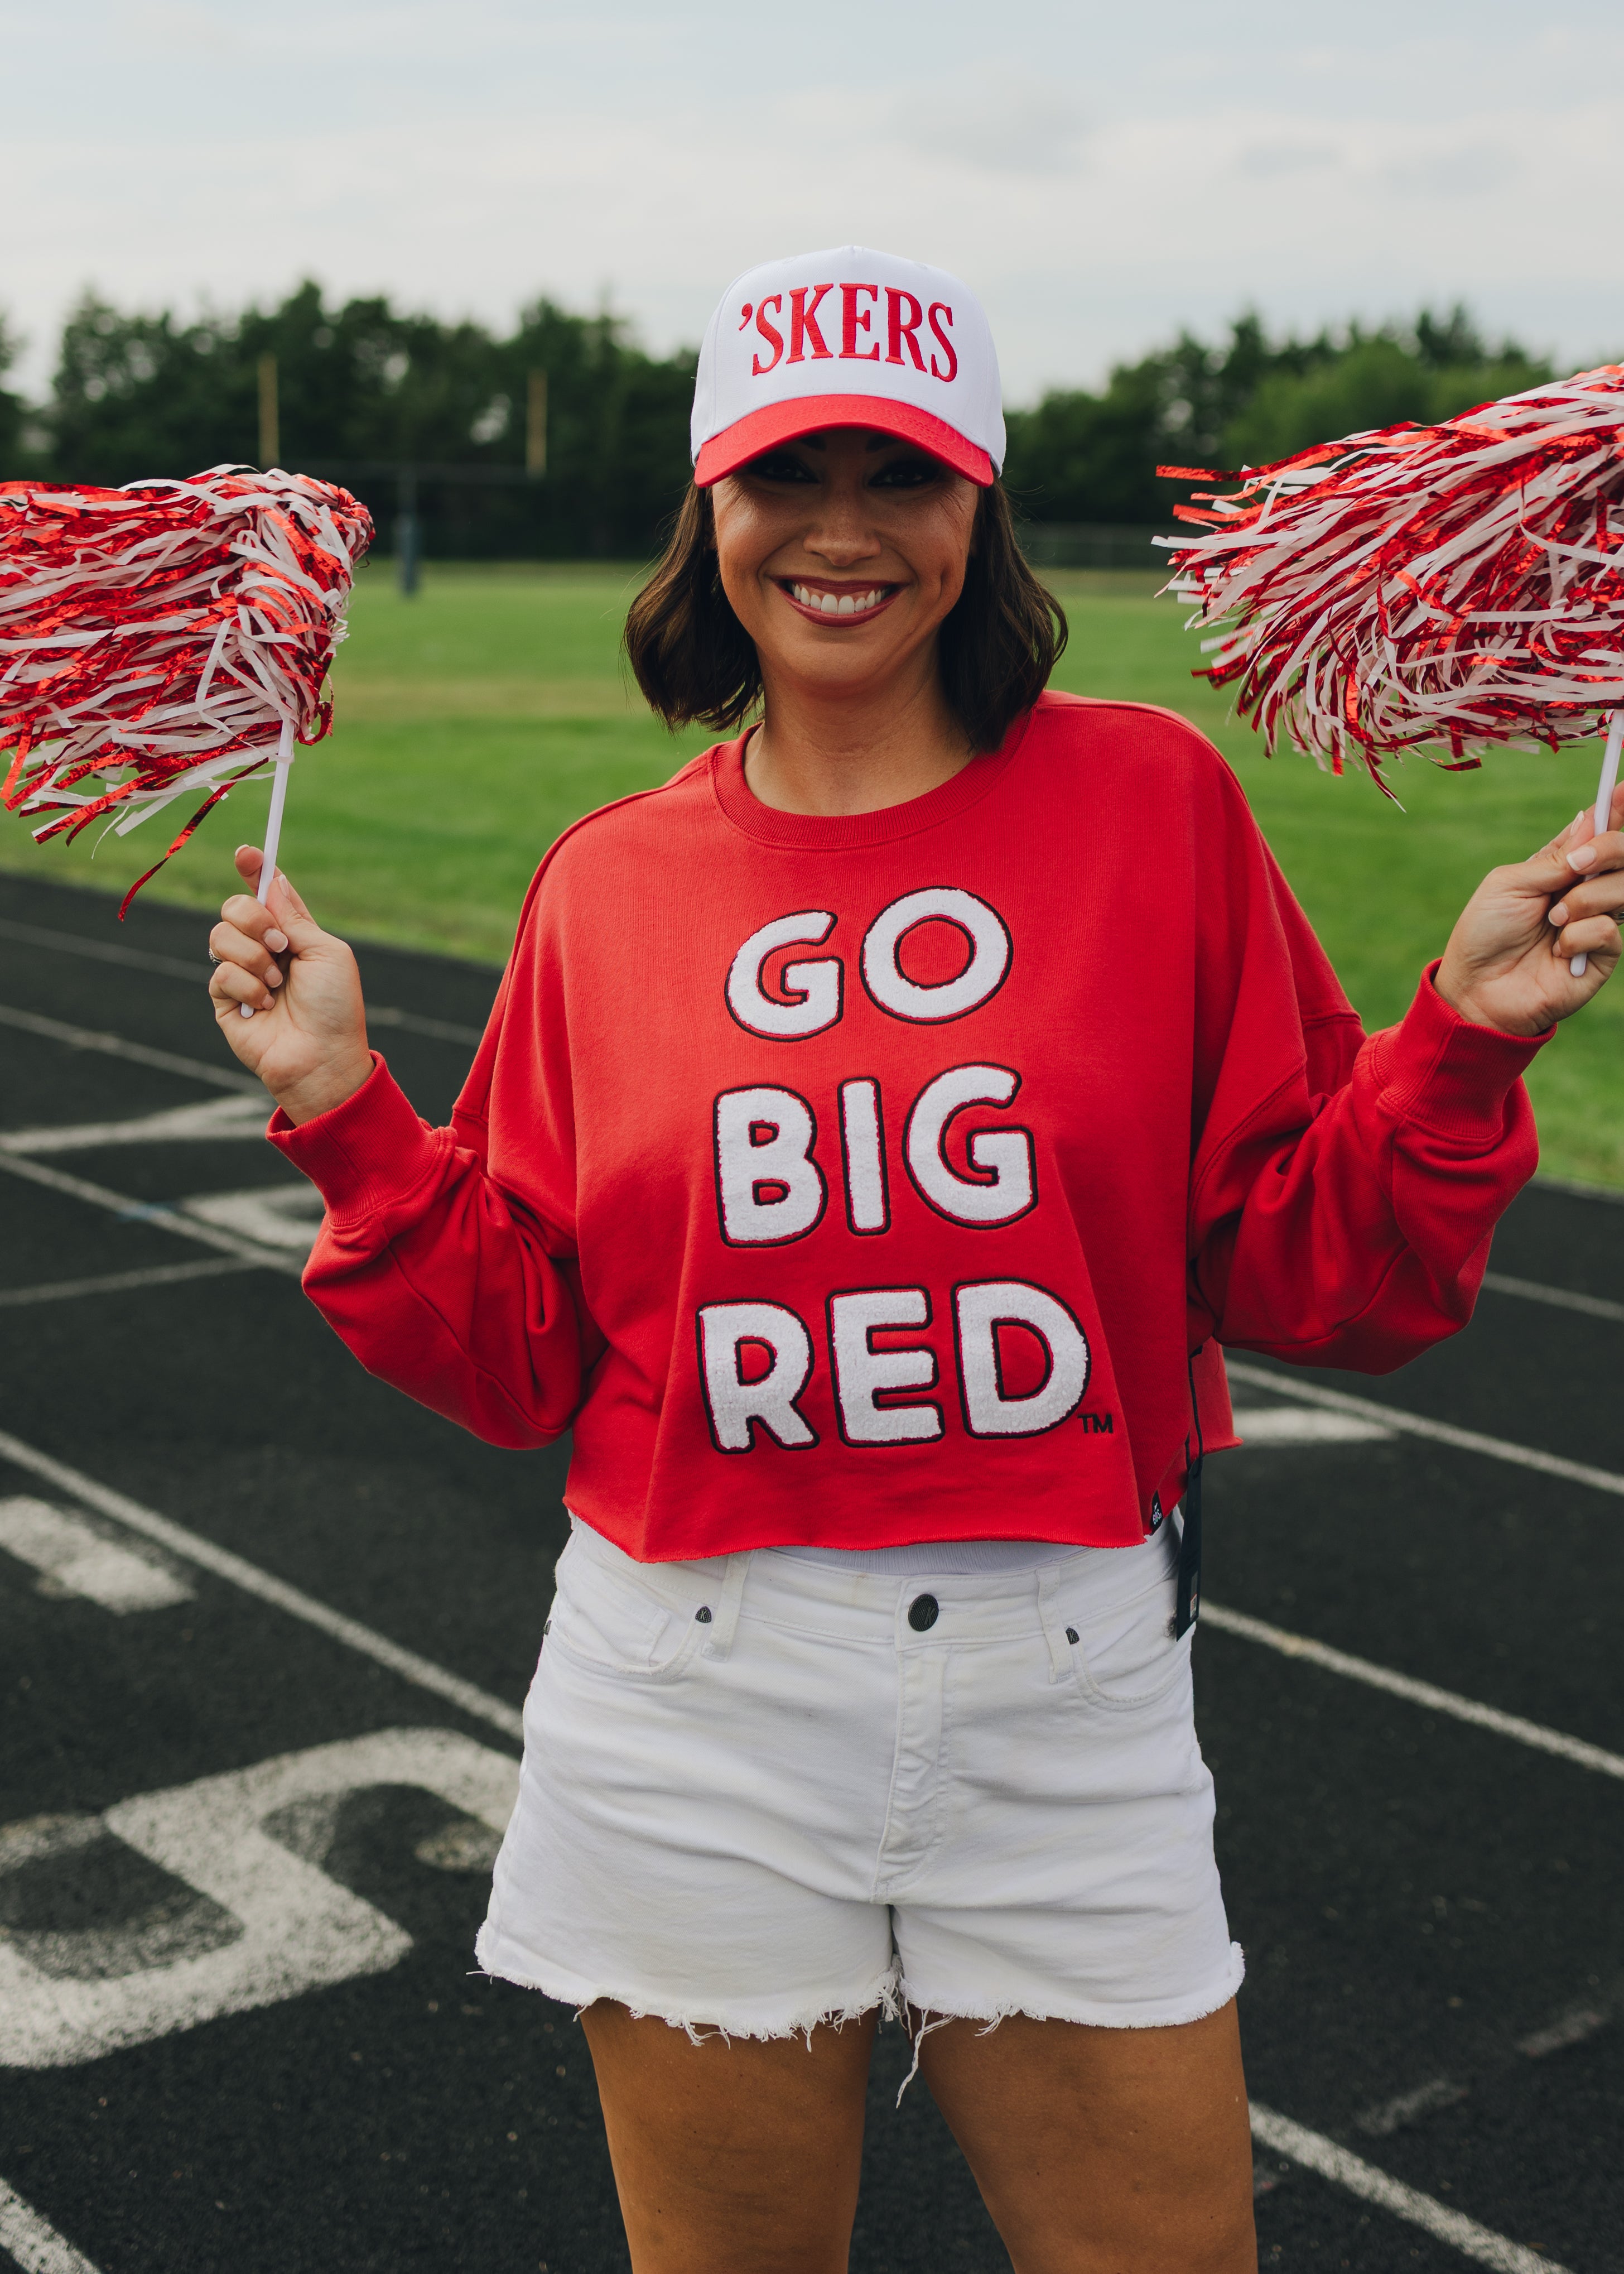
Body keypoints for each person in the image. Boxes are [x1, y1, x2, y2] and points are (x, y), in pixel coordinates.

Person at [205, 247, 1622, 2273]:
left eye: (905, 475)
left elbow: (1332, 1286)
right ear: (713, 508)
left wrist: (1461, 1042)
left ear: (982, 506)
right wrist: (347, 1107)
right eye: (792, 475)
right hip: (691, 1693)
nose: (845, 531)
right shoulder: (608, 883)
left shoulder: (1155, 802)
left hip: (1070, 1683)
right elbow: (519, 1359)